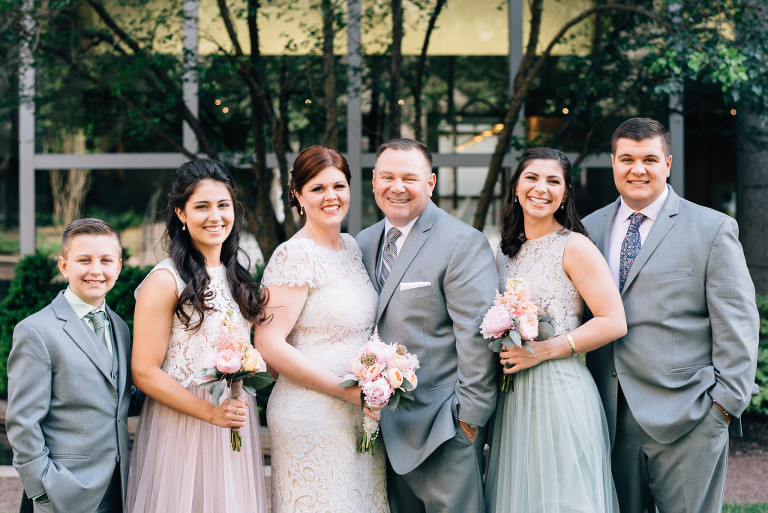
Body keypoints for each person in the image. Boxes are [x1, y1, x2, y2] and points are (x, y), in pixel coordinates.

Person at [583, 117, 760, 513]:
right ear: (613, 163)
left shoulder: (712, 229)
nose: (637, 169)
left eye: (649, 158)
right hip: (608, 418)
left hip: (690, 416)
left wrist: (723, 406)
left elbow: (738, 324)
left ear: (668, 164)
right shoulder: (587, 229)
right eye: (626, 158)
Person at [356, 138, 498, 513]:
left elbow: (476, 336)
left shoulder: (462, 242)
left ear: (430, 183)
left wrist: (468, 421)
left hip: (443, 429)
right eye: (387, 177)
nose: (397, 187)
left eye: (410, 178)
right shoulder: (364, 242)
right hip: (382, 430)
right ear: (374, 182)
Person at [485, 148, 626, 513]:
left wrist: (544, 351)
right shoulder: (504, 252)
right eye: (532, 178)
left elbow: (613, 320)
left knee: (564, 499)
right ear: (516, 187)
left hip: (560, 392)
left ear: (564, 195)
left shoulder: (574, 246)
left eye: (553, 181)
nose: (541, 188)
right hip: (513, 397)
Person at [126, 159, 269, 513]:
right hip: (182, 424)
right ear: (181, 213)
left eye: (223, 205)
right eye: (201, 206)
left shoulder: (238, 278)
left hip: (232, 420)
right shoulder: (165, 280)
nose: (215, 216)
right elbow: (144, 371)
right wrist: (209, 413)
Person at [255, 145, 387, 513]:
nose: (331, 197)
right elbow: (267, 343)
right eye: (317, 188)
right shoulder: (293, 255)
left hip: (358, 412)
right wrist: (343, 391)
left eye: (339, 186)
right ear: (298, 195)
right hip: (311, 412)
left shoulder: (351, 247)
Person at [6, 218, 144, 513]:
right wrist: (42, 492)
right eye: (84, 260)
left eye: (106, 260)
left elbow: (118, 401)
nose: (96, 270)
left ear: (118, 266)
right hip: (62, 494)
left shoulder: (120, 327)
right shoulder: (37, 331)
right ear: (64, 266)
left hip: (116, 488)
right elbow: (23, 422)